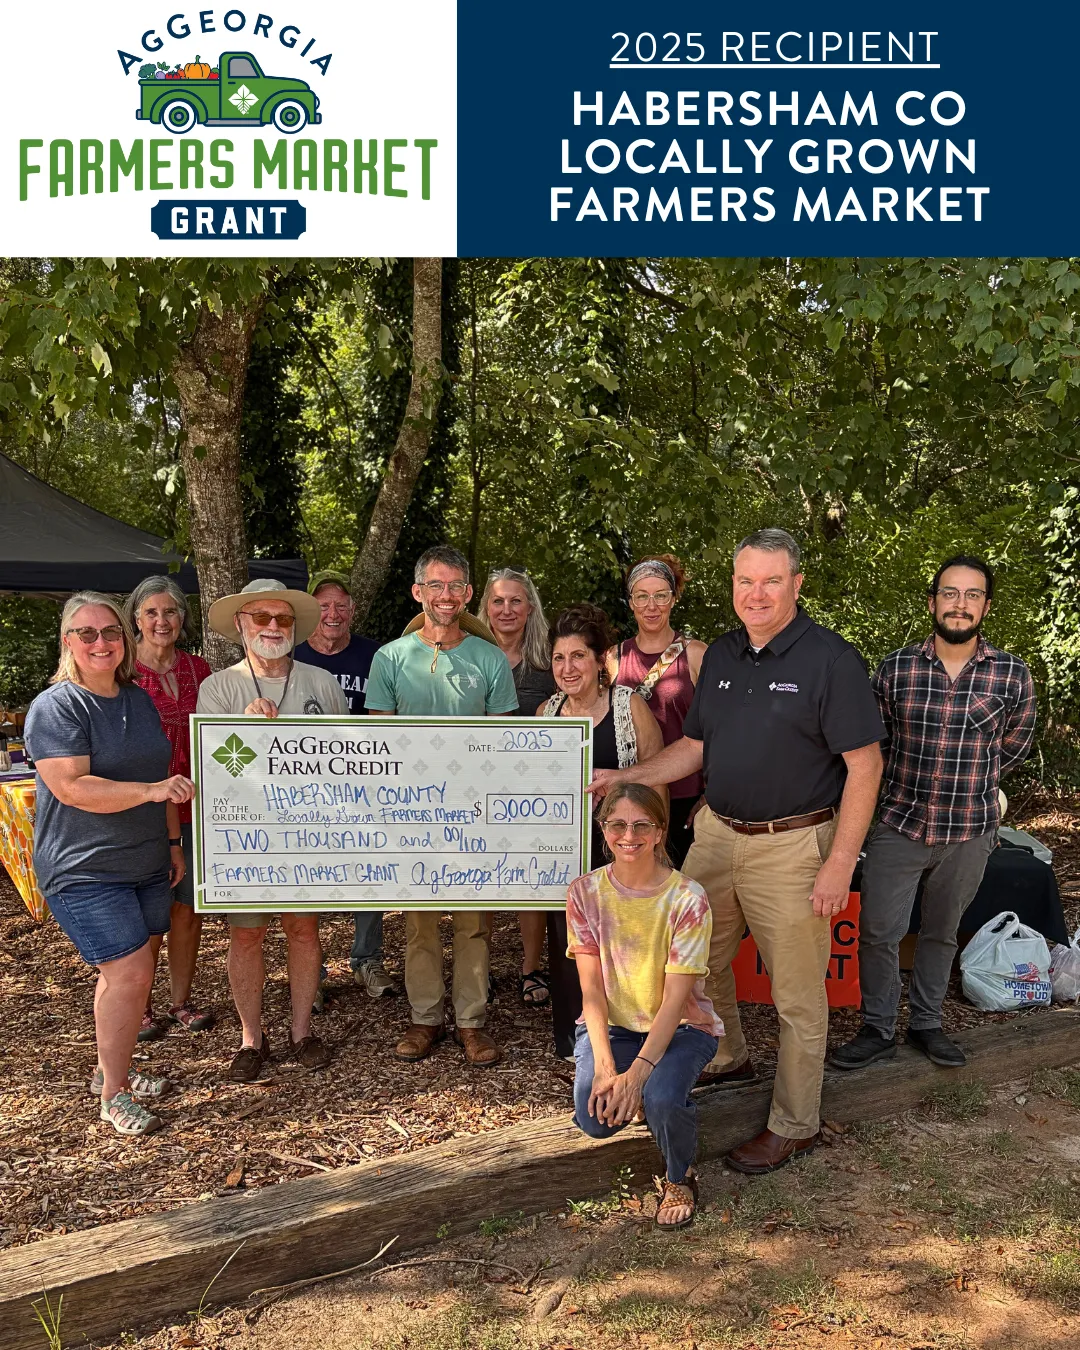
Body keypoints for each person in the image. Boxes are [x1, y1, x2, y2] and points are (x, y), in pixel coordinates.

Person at [590, 529, 884, 1174]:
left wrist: (839, 863)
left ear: (797, 584)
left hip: (795, 845)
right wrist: (626, 779)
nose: (756, 593)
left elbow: (864, 767)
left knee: (799, 997)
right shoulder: (719, 655)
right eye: (744, 579)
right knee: (693, 962)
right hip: (718, 835)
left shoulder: (832, 661)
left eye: (771, 580)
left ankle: (794, 1123)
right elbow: (695, 747)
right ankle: (729, 1055)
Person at [831, 555, 1037, 1072]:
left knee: (943, 931)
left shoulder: (1012, 674)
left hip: (970, 831)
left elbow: (1013, 746)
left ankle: (926, 1022)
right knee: (879, 932)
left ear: (986, 605)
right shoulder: (895, 668)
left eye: (971, 595)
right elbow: (871, 746)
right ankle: (877, 1026)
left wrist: (975, 786)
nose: (960, 604)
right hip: (900, 822)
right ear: (933, 601)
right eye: (950, 593)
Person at [25, 592, 194, 1136]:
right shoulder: (56, 706)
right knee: (129, 970)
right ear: (67, 642)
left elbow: (163, 774)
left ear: (125, 640)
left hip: (145, 859)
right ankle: (114, 1095)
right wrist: (150, 791)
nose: (101, 642)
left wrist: (171, 844)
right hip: (84, 867)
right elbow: (72, 787)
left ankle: (109, 1071)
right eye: (87, 633)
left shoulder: (137, 698)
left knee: (131, 972)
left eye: (111, 632)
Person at [365, 545, 519, 1067]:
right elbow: (380, 745)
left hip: (473, 814)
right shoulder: (389, 657)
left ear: (468, 592)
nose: (446, 595)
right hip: (412, 814)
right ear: (418, 592)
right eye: (436, 585)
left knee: (474, 920)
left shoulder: (489, 658)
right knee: (419, 920)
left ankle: (472, 1022)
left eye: (455, 585)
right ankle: (424, 1018)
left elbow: (502, 743)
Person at [197, 579, 349, 1080]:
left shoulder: (322, 682)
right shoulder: (219, 688)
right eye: (260, 617)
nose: (272, 627)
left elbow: (346, 758)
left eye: (282, 619)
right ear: (241, 624)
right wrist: (241, 729)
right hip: (245, 838)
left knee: (304, 930)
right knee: (247, 936)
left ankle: (303, 1032)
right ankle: (251, 1039)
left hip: (306, 832)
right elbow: (214, 771)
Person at [567, 784, 723, 1229]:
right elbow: (591, 990)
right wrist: (603, 1067)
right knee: (594, 1120)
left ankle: (680, 1175)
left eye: (641, 825)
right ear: (603, 830)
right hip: (613, 1027)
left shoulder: (687, 897)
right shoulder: (584, 893)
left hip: (682, 1027)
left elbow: (677, 998)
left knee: (661, 1098)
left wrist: (636, 1074)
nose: (628, 835)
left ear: (659, 832)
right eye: (617, 824)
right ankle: (643, 1093)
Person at [540, 603, 665, 1059]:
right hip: (566, 858)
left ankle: (629, 1043)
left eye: (578, 656)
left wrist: (656, 849)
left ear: (599, 661)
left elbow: (656, 780)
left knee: (627, 951)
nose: (568, 667)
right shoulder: (546, 712)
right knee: (576, 948)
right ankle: (579, 1045)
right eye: (558, 658)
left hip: (626, 851)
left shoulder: (628, 706)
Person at [293, 569, 396, 999]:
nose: (332, 613)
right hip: (307, 787)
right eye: (323, 606)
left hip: (370, 784)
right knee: (308, 875)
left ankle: (366, 958)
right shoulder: (292, 658)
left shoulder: (380, 657)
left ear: (352, 610)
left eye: (340, 605)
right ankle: (309, 971)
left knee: (371, 869)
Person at [126, 575, 214, 1039]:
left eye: (171, 611)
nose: (163, 620)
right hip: (143, 809)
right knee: (149, 912)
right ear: (136, 619)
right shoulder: (122, 673)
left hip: (195, 809)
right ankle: (137, 1003)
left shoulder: (199, 671)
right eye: (152, 612)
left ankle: (180, 1000)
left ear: (183, 618)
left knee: (187, 908)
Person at [480, 566, 557, 1006]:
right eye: (498, 601)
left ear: (530, 608)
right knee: (482, 880)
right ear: (485, 608)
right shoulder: (468, 655)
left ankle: (531, 968)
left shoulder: (549, 660)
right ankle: (481, 969)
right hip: (477, 787)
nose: (506, 609)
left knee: (532, 881)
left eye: (515, 600)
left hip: (535, 789)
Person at [606, 555, 707, 867]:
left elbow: (723, 729)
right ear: (631, 602)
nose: (652, 606)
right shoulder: (613, 658)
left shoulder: (697, 655)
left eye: (661, 595)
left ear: (674, 599)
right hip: (628, 800)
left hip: (685, 798)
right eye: (642, 596)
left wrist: (710, 796)